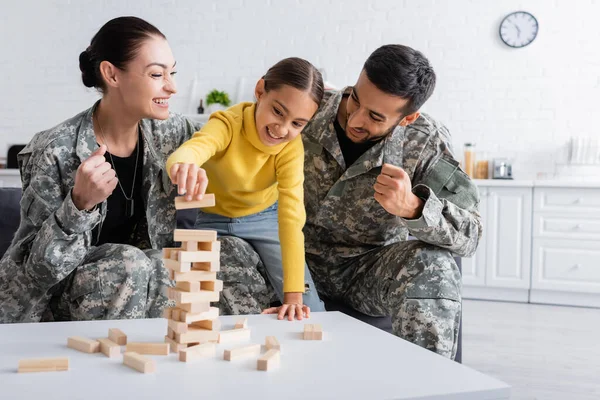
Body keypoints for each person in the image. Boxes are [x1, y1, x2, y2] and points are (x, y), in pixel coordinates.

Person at [241, 44, 481, 359]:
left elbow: (471, 234)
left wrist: (413, 207)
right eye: (355, 98)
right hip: (286, 263)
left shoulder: (425, 141)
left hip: (364, 272)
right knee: (225, 251)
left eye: (375, 116)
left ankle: (427, 385)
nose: (355, 118)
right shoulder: (307, 108)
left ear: (408, 118)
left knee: (434, 265)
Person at [0, 16, 201, 323]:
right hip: (50, 306)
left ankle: (155, 362)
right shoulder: (54, 149)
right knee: (128, 263)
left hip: (136, 292)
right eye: (157, 74)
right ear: (112, 74)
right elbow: (38, 272)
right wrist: (79, 204)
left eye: (172, 73)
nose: (172, 87)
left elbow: (229, 132)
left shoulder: (170, 133)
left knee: (168, 262)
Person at [166, 57, 326, 320]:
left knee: (309, 308)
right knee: (186, 299)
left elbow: (291, 217)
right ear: (260, 91)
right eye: (278, 112)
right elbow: (199, 146)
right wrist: (183, 164)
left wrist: (294, 296)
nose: (283, 129)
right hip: (209, 218)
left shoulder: (290, 149)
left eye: (297, 123)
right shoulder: (228, 123)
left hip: (264, 218)